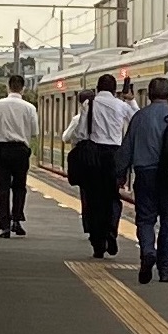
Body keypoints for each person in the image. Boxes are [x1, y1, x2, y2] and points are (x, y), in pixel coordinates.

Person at [116, 77, 168, 285]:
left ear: (149, 96)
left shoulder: (140, 117)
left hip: (145, 176)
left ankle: (148, 252)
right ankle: (166, 270)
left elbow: (127, 148)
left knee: (145, 220)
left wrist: (120, 174)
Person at [62, 73, 132, 256]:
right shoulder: (121, 105)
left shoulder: (89, 104)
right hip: (115, 156)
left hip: (94, 156)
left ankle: (97, 243)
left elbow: (82, 132)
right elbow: (135, 119)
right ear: (114, 89)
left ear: (98, 89)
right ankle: (111, 231)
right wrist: (130, 101)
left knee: (93, 199)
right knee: (113, 197)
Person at [0, 74, 40, 238]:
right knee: (20, 187)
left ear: (8, 87)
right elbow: (34, 133)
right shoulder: (29, 108)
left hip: (1, 151)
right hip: (21, 150)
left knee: (1, 188)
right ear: (23, 88)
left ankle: (4, 226)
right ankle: (17, 220)